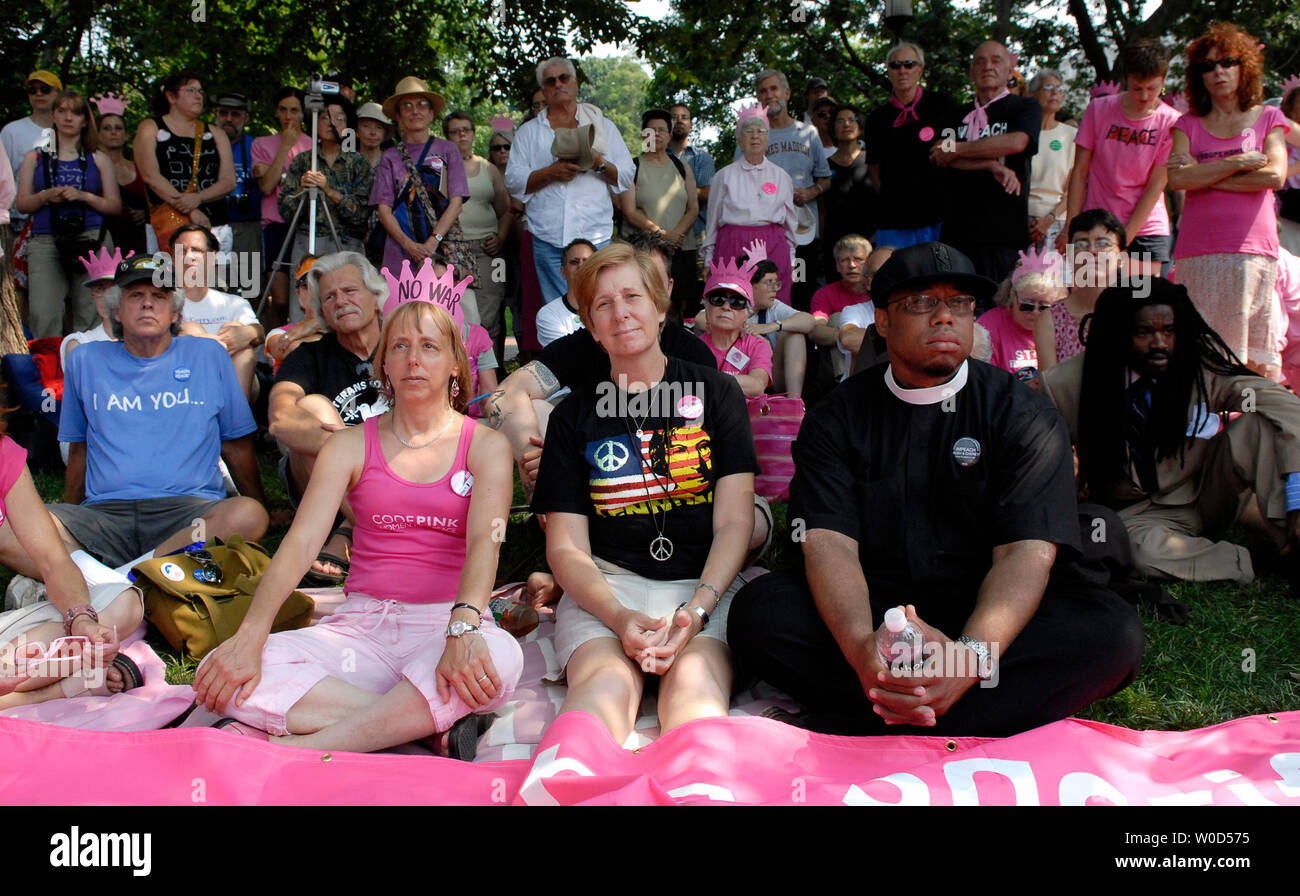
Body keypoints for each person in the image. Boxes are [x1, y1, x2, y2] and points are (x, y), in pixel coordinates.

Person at [728, 241, 1144, 736]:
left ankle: (892, 711)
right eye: (922, 303)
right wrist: (864, 652)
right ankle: (939, 705)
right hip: (876, 611)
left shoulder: (1025, 414)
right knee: (760, 614)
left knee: (1111, 634)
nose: (945, 317)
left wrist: (968, 660)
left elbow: (1024, 553)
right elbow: (828, 545)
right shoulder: (835, 417)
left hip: (989, 613)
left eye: (960, 305)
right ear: (881, 321)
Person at [194, 295, 523, 756]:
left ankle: (302, 749)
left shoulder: (485, 445)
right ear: (383, 362)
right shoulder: (348, 446)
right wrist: (249, 638)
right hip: (361, 630)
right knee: (221, 669)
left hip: (447, 621)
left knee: (502, 658)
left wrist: (464, 629)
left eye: (429, 347)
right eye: (400, 346)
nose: (413, 359)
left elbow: (485, 544)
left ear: (454, 363)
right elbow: (302, 543)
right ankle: (423, 729)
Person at [531, 242, 759, 743]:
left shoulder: (718, 394)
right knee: (599, 691)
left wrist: (697, 611)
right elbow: (566, 546)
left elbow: (735, 522)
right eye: (603, 304)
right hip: (608, 590)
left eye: (632, 296)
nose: (621, 313)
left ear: (660, 307)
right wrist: (620, 617)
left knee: (696, 696)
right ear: (590, 325)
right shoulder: (572, 417)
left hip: (705, 584)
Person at [0, 254, 266, 574]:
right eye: (135, 296)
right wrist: (71, 515)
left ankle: (117, 577)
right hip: (105, 517)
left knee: (249, 515)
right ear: (116, 310)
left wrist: (262, 504)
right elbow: (80, 450)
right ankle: (150, 574)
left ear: (176, 312)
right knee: (11, 527)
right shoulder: (86, 360)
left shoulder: (208, 355)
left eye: (159, 296)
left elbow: (236, 445)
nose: (148, 304)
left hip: (188, 515)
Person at [1042, 277, 1300, 585]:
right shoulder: (1064, 385)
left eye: (1169, 330)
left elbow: (1280, 402)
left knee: (1261, 422)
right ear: (1118, 332)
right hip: (1140, 516)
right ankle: (1253, 562)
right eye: (1143, 332)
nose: (1160, 343)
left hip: (1209, 492)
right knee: (1138, 553)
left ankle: (1295, 542)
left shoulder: (1197, 364)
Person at [1167, 23, 1289, 379]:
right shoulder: (1185, 124)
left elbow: (1274, 176)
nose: (1218, 71)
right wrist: (1237, 162)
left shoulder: (1269, 117)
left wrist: (1204, 175)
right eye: (1208, 66)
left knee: (1251, 358)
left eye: (1228, 62)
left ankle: (1247, 421)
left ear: (1243, 67)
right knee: (1201, 352)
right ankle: (1209, 427)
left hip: (1253, 250)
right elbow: (1178, 179)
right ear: (1198, 76)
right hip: (1198, 252)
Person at [0, 429, 144, 707]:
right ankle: (53, 692)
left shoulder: (4, 454)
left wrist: (80, 619)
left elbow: (54, 560)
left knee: (123, 605)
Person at [269, 251, 387, 583]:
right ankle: (377, 530)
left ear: (376, 296)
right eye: (330, 296)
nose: (340, 301)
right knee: (311, 407)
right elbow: (281, 418)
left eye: (350, 291)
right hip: (332, 480)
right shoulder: (309, 356)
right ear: (321, 312)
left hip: (405, 465)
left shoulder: (403, 346)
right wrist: (354, 451)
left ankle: (349, 533)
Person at [504, 57, 633, 304]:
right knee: (557, 312)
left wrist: (598, 162)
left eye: (564, 78)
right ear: (543, 90)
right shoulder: (528, 132)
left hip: (595, 237)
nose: (558, 84)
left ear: (575, 83)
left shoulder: (603, 127)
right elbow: (513, 181)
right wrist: (552, 172)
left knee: (600, 306)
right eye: (550, 81)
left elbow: (626, 176)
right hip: (549, 238)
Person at [1059, 40, 1177, 277]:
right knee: (1093, 301)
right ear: (1126, 80)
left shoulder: (1171, 121)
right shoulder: (1098, 109)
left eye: (1152, 88)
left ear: (1163, 80)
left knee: (1140, 302)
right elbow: (1080, 171)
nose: (1144, 96)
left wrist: (1123, 239)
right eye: (1136, 88)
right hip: (1095, 225)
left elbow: (1157, 184)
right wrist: (1072, 227)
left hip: (1146, 231)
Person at [932, 41, 1042, 283]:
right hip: (957, 233)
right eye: (979, 61)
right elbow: (940, 154)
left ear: (1009, 71)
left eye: (995, 60)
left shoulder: (1024, 107)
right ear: (972, 72)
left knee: (1002, 310)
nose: (987, 67)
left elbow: (1017, 142)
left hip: (1005, 235)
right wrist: (990, 164)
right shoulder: (955, 114)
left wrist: (959, 149)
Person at [15, 89, 121, 339]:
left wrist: (84, 196)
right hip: (46, 238)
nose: (68, 118)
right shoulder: (35, 157)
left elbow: (114, 206)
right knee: (44, 313)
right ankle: (47, 372)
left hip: (92, 237)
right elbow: (22, 204)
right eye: (61, 111)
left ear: (85, 120)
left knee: (93, 310)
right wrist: (45, 196)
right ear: (52, 116)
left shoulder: (99, 159)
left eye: (75, 112)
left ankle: (90, 367)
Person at [370, 76, 473, 315]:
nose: (415, 111)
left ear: (431, 113)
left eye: (421, 105)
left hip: (443, 250)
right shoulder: (390, 157)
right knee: (398, 318)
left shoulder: (448, 150)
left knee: (461, 318)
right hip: (399, 255)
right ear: (398, 116)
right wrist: (410, 245)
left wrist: (431, 243)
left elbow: (456, 202)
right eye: (407, 105)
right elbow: (383, 208)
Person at [744, 69, 832, 309]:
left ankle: (802, 345)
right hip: (767, 233)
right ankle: (766, 345)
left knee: (803, 293)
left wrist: (809, 192)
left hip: (803, 232)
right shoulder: (752, 135)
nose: (769, 95)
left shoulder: (808, 132)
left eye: (774, 89)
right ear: (758, 98)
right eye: (763, 91)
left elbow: (825, 179)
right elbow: (739, 178)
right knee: (767, 294)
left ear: (787, 93)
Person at [703, 105, 798, 307]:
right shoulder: (724, 176)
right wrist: (707, 259)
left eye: (761, 131)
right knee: (732, 300)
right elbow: (712, 222)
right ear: (740, 140)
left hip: (773, 243)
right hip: (732, 243)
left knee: (774, 301)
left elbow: (790, 223)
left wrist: (791, 258)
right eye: (748, 131)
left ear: (768, 138)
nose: (755, 136)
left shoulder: (781, 177)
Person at [865, 45, 957, 250]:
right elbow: (875, 170)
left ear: (920, 70)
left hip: (938, 215)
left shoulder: (943, 104)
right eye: (895, 65)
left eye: (909, 64)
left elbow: (952, 148)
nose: (902, 70)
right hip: (894, 219)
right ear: (888, 71)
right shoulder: (877, 119)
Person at [134, 71, 235, 251]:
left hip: (213, 224)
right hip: (168, 223)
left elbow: (228, 181)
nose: (198, 96)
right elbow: (150, 175)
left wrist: (198, 198)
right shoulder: (150, 127)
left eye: (200, 92)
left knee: (213, 278)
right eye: (191, 90)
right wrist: (190, 209)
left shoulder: (216, 133)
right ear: (171, 96)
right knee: (170, 277)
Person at [280, 95, 374, 279]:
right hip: (307, 243)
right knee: (303, 303)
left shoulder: (358, 163)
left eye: (339, 118)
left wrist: (329, 191)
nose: (331, 123)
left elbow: (362, 214)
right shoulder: (303, 161)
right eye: (324, 117)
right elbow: (284, 210)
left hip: (346, 244)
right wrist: (302, 190)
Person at [444, 110, 512, 363]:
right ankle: (464, 376)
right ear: (447, 136)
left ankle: (493, 375)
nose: (461, 135)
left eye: (466, 129)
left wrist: (501, 237)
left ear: (473, 133)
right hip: (452, 252)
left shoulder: (489, 169)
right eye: (455, 131)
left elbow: (506, 211)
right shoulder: (440, 168)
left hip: (489, 252)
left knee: (491, 313)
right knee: (459, 313)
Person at [619, 109, 699, 320]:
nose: (656, 135)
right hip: (645, 250)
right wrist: (663, 235)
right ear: (642, 135)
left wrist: (675, 236)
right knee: (645, 305)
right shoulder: (633, 167)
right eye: (650, 130)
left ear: (670, 135)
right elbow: (629, 211)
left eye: (661, 130)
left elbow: (693, 208)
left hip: (682, 249)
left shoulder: (682, 167)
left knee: (681, 309)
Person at [171, 224, 264, 400]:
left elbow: (259, 332)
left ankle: (238, 421)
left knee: (240, 335)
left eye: (197, 250)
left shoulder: (234, 303)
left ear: (212, 257)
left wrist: (248, 332)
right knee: (190, 330)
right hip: (181, 386)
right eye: (181, 251)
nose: (188, 257)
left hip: (232, 385)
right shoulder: (163, 304)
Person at [1035, 209, 1127, 369]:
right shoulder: (1050, 320)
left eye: (1103, 244)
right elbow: (1051, 388)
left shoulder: (1137, 312)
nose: (1092, 251)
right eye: (1081, 244)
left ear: (1121, 258)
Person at [252, 87, 310, 326]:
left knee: (305, 297)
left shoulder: (312, 143)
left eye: (294, 110)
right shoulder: (262, 143)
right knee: (279, 299)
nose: (288, 116)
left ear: (303, 113)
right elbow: (266, 186)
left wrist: (281, 176)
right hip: (275, 227)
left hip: (304, 225)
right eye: (283, 110)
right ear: (276, 111)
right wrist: (286, 145)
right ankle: (270, 350)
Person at [978, 247, 1065, 380]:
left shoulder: (1061, 327)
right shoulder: (988, 326)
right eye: (1027, 305)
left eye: (1044, 307)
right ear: (1013, 297)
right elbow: (983, 377)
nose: (1035, 312)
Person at [698, 256, 772, 397]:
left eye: (737, 302)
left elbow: (757, 385)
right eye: (718, 299)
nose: (726, 307)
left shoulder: (757, 345)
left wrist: (708, 381)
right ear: (707, 308)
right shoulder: (693, 346)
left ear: (747, 314)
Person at [213, 92, 263, 300]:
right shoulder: (205, 144)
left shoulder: (256, 147)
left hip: (247, 226)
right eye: (223, 113)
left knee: (248, 289)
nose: (229, 119)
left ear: (245, 119)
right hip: (214, 224)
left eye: (235, 114)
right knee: (214, 287)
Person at [666, 103, 714, 311]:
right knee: (668, 293)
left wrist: (671, 192)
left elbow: (706, 193)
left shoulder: (700, 157)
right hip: (664, 233)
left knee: (696, 293)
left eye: (684, 117)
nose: (679, 121)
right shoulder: (656, 156)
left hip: (696, 234)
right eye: (674, 117)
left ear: (691, 125)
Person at [3, 70, 62, 237]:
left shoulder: (69, 130)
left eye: (45, 89)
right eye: (32, 90)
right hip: (19, 221)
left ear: (58, 94)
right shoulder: (11, 131)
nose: (38, 94)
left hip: (62, 219)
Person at [1026, 69, 1076, 251]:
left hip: (1056, 222)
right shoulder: (1020, 134)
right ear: (1032, 94)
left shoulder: (1072, 136)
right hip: (1019, 220)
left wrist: (1049, 219)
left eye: (1059, 88)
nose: (1055, 92)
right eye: (1048, 87)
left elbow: (1074, 190)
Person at [823, 104, 877, 273]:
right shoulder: (824, 166)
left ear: (859, 127)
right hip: (835, 244)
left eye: (851, 120)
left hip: (870, 242)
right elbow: (821, 209)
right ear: (833, 129)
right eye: (840, 121)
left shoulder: (873, 161)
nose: (846, 124)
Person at [94, 96, 147, 255]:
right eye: (107, 128)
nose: (113, 132)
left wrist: (146, 213)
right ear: (97, 134)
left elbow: (155, 202)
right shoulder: (90, 168)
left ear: (126, 135)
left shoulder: (142, 169)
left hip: (137, 242)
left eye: (118, 128)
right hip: (101, 239)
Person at [264, 254, 326, 374]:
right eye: (307, 284)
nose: (316, 290)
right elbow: (292, 349)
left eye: (323, 283)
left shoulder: (348, 328)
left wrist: (313, 326)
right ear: (298, 294)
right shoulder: (279, 333)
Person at [535, 238, 594, 347]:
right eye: (574, 262)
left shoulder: (611, 308)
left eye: (587, 261)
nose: (581, 266)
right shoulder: (548, 314)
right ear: (563, 272)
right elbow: (566, 356)